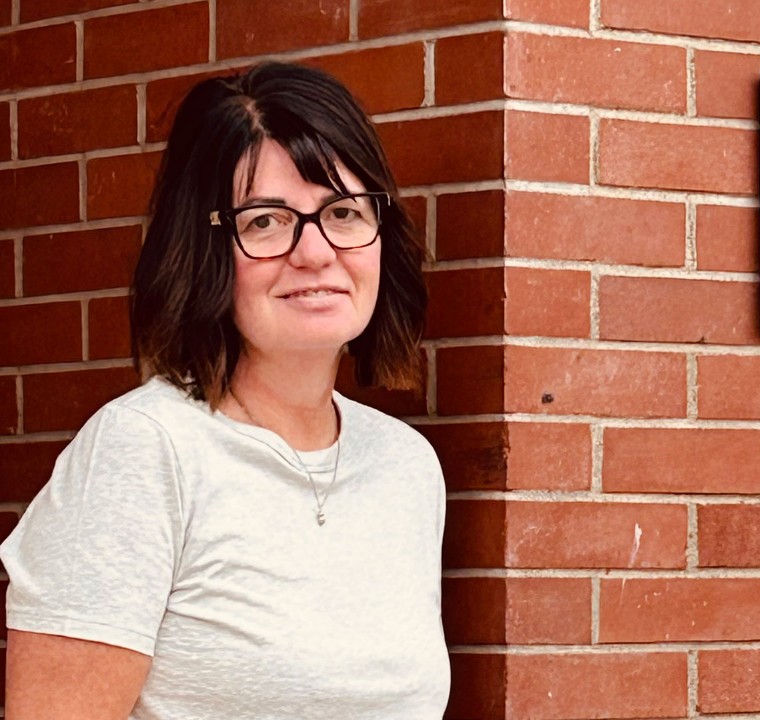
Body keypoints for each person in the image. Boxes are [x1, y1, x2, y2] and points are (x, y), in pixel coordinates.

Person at [0, 63, 449, 719]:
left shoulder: (405, 466)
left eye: (344, 212)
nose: (316, 252)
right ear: (203, 247)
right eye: (265, 221)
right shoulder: (144, 451)